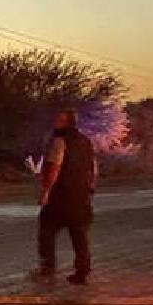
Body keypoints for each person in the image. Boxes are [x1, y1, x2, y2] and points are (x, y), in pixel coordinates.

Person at [33, 108, 97, 285]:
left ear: (68, 123)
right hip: (80, 195)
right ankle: (82, 271)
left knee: (46, 230)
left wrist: (45, 192)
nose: (56, 123)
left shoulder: (59, 142)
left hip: (60, 196)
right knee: (79, 234)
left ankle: (48, 267)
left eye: (60, 120)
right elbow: (92, 167)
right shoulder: (86, 142)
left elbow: (55, 168)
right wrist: (90, 187)